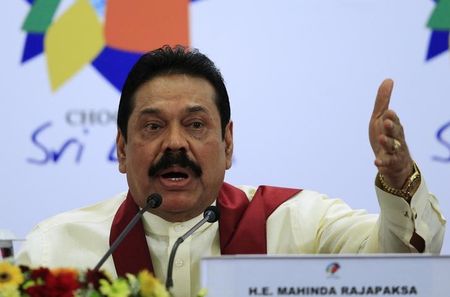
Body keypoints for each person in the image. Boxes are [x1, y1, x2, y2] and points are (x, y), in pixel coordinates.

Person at [16, 45, 446, 297]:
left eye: (196, 124)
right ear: (123, 150)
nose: (175, 144)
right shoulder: (56, 250)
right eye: (152, 126)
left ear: (228, 143)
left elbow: (403, 264)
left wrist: (398, 179)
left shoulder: (298, 222)